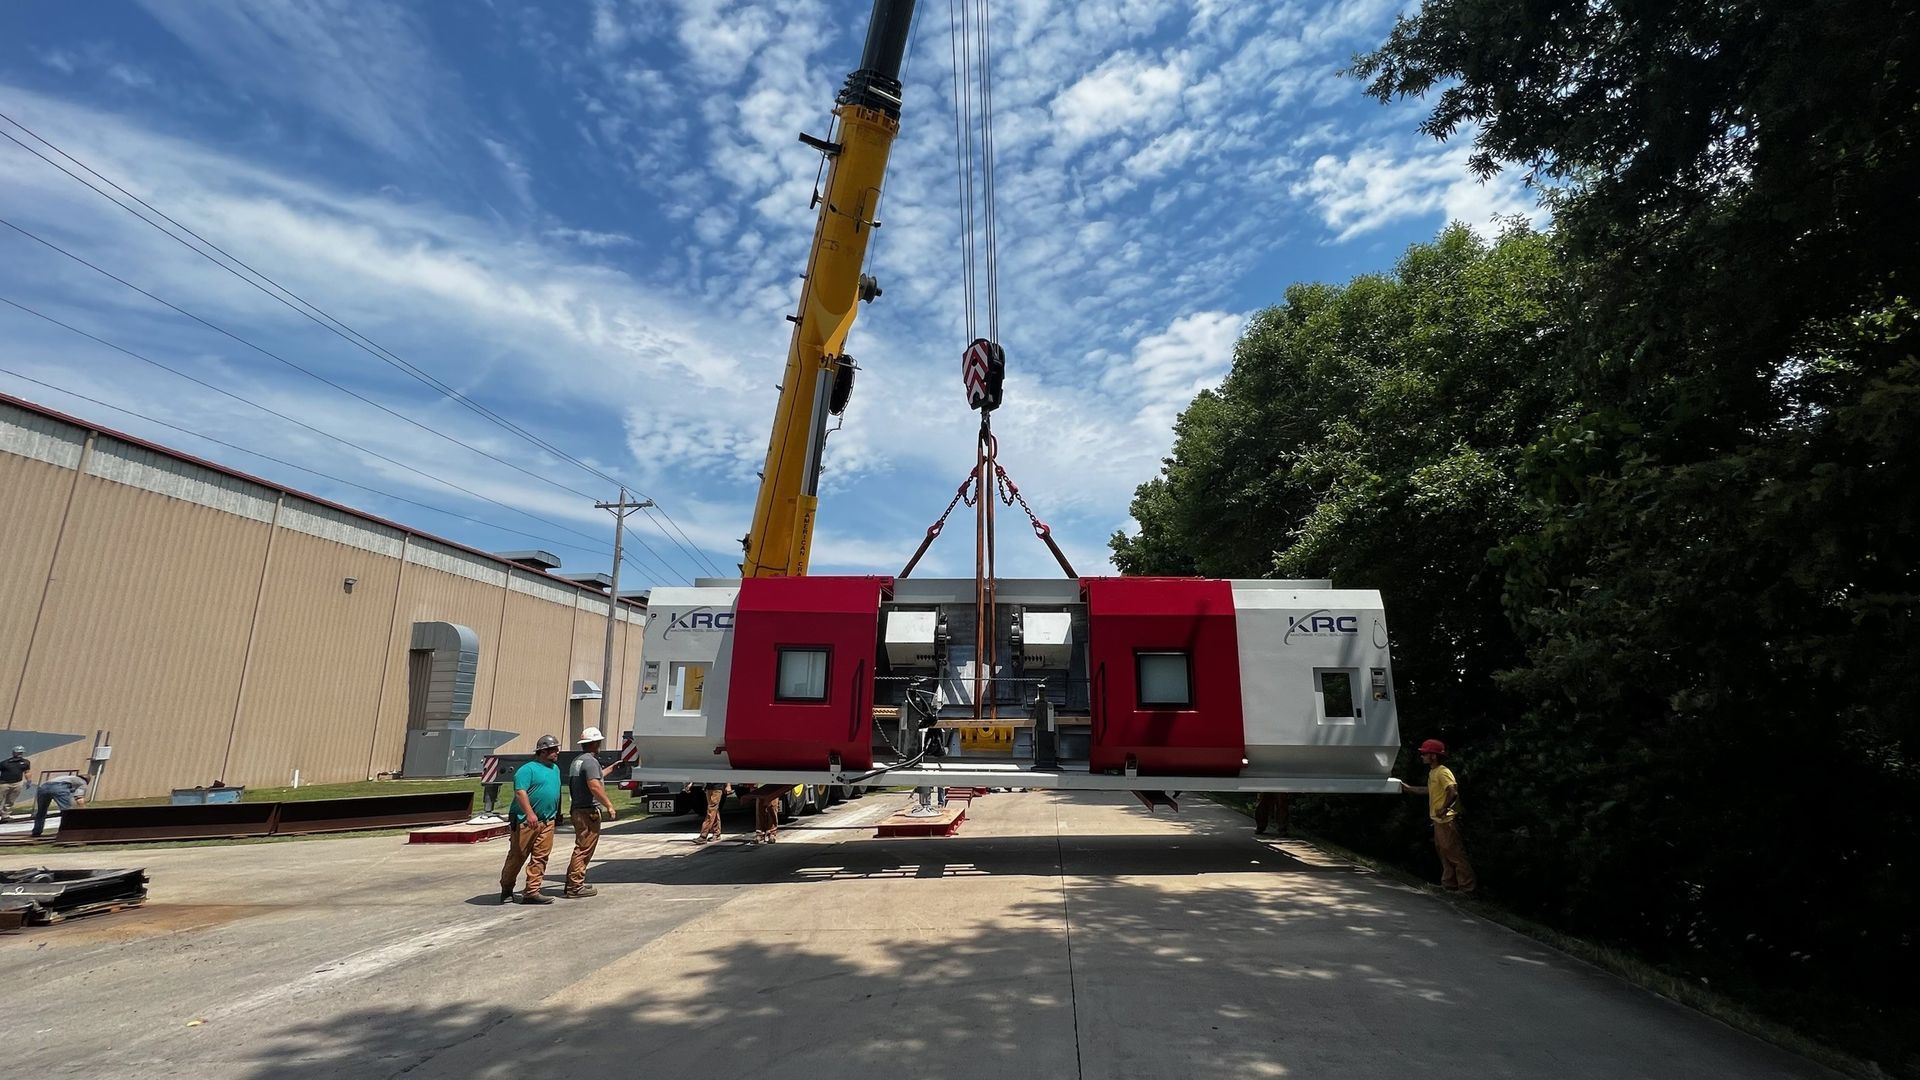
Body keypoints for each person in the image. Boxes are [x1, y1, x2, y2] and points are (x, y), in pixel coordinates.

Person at [1400, 738, 1476, 894]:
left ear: (1433, 756)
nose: (1422, 756)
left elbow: (1453, 791)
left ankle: (1467, 889)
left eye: (1424, 753)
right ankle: (1449, 885)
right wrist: (1408, 788)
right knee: (1443, 853)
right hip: (1438, 821)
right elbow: (1429, 791)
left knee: (1454, 854)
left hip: (1447, 820)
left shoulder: (1443, 772)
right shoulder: (1433, 772)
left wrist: (1444, 808)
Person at [499, 734, 563, 904]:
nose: (557, 752)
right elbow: (520, 792)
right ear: (542, 752)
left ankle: (532, 892)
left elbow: (554, 791)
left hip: (548, 820)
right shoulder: (527, 770)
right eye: (553, 749)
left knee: (541, 856)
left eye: (557, 749)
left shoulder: (555, 769)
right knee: (518, 855)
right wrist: (530, 813)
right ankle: (507, 888)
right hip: (525, 821)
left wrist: (558, 813)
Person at [563, 727, 616, 899]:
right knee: (584, 848)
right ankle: (575, 886)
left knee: (581, 845)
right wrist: (608, 805)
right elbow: (594, 785)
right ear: (593, 743)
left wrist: (612, 768)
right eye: (598, 742)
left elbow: (594, 778)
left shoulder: (578, 761)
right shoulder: (591, 762)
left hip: (577, 809)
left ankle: (572, 882)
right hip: (588, 811)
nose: (600, 744)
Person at [30, 773, 88, 839]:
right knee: (66, 812)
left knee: (41, 811)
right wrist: (84, 812)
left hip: (43, 787)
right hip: (59, 787)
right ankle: (65, 832)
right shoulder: (83, 782)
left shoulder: (69, 778)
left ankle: (36, 832)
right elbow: (79, 798)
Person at [0, 746, 29, 822]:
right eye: (18, 752)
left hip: (17, 783)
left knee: (10, 801)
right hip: (3, 783)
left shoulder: (25, 762)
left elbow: (27, 772)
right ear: (14, 753)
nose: (20, 754)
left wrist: (29, 780)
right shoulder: (5, 763)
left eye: (21, 752)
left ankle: (5, 816)